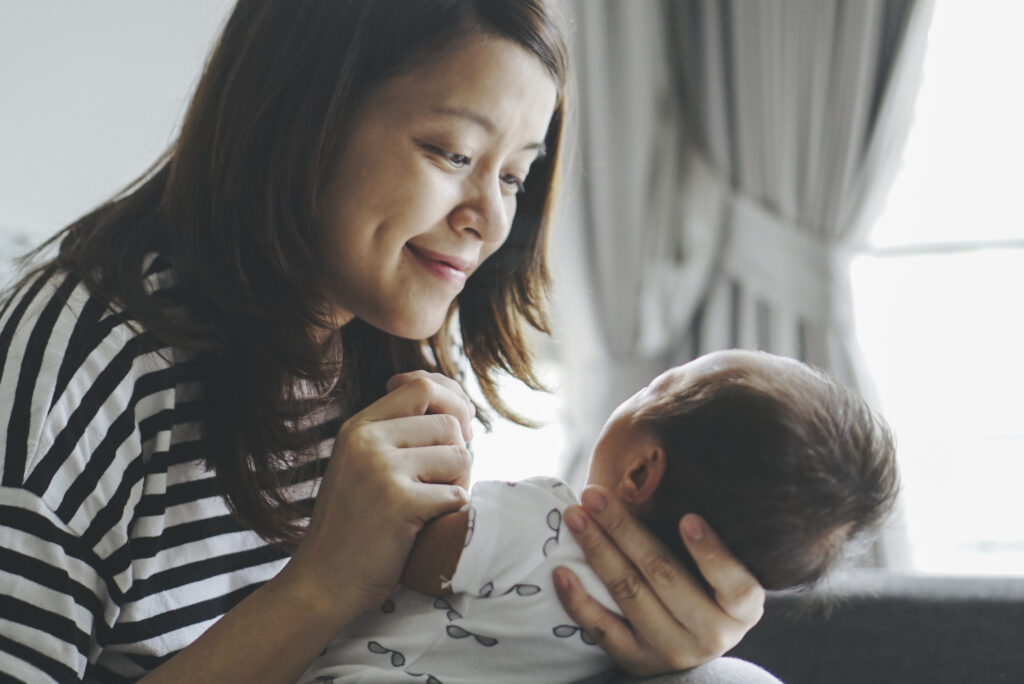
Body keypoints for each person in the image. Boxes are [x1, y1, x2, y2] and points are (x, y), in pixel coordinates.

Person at [0, 2, 768, 682]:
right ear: (299, 113)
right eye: (453, 154)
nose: (489, 222)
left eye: (514, 177)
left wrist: (630, 624)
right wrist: (325, 583)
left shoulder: (388, 334)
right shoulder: (76, 366)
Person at [299, 349, 899, 682]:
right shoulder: (652, 620)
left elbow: (412, 556)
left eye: (658, 385)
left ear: (641, 473)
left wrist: (444, 460)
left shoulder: (546, 521)